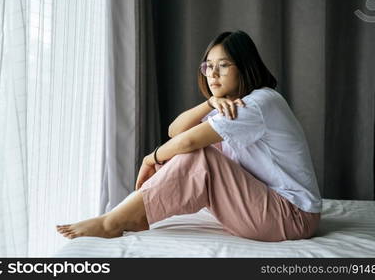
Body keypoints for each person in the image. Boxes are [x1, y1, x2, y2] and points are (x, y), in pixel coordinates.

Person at [57, 30, 322, 242]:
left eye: (224, 65)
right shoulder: (231, 105)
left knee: (201, 155)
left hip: (292, 216)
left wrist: (150, 159)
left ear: (244, 68)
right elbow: (176, 130)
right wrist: (209, 104)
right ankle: (132, 214)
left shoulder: (257, 103)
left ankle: (114, 221)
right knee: (194, 152)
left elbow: (188, 142)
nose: (213, 74)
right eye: (208, 66)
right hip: (275, 209)